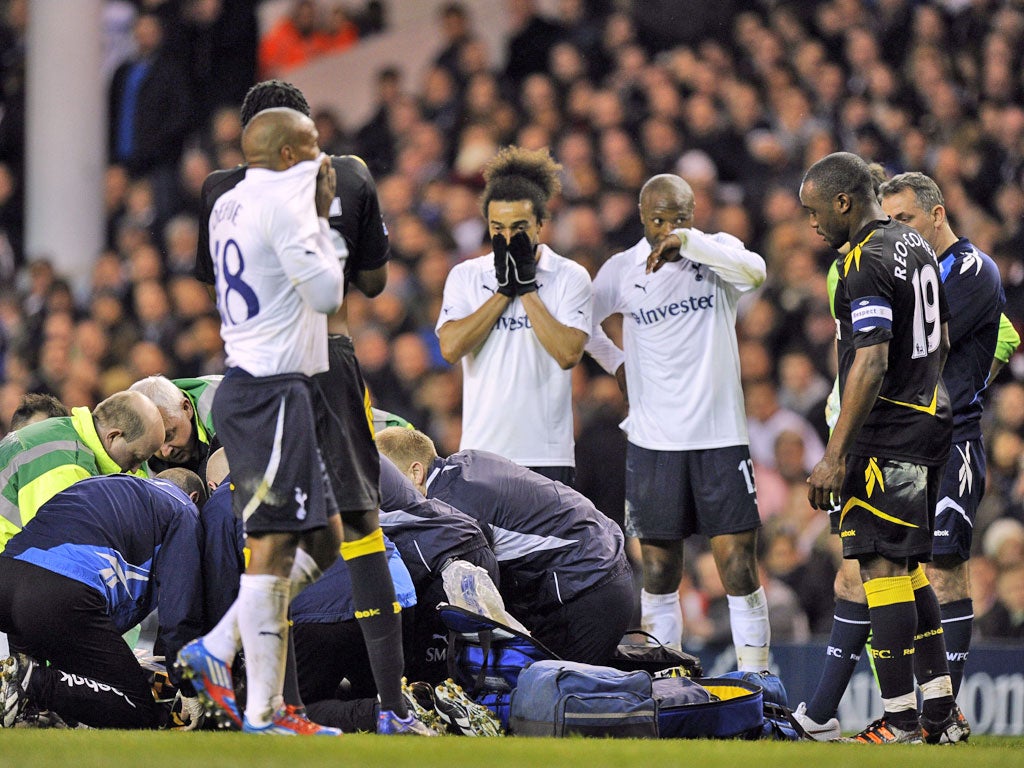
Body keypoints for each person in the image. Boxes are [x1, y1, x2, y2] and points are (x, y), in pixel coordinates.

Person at [190, 81, 413, 735]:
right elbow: (362, 283)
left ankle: (257, 681)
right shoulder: (340, 177)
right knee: (357, 525)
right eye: (310, 139)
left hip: (246, 371)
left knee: (287, 537)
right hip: (317, 364)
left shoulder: (218, 193)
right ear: (291, 138)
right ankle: (384, 707)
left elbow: (215, 281)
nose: (321, 151)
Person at [794, 170, 1014, 741]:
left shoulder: (866, 260)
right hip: (924, 422)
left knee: (880, 569)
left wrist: (836, 453)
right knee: (910, 570)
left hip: (886, 428)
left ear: (844, 202)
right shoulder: (915, 248)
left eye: (816, 211)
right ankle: (940, 714)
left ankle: (899, 721)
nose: (812, 223)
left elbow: (870, 360)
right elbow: (940, 338)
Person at [176, 107, 352, 736]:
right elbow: (329, 294)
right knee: (276, 546)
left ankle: (226, 655)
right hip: (270, 392)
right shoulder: (289, 206)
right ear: (283, 155)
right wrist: (326, 211)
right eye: (309, 146)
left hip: (261, 387)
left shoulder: (230, 201)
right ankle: (261, 705)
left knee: (325, 537)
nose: (320, 156)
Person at [586, 174, 771, 671]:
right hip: (653, 440)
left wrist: (689, 242)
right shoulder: (622, 269)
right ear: (642, 217)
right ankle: (664, 679)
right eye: (659, 220)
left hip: (720, 437)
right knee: (660, 569)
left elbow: (756, 275)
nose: (668, 227)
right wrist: (616, 363)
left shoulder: (716, 253)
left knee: (737, 564)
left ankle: (757, 683)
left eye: (680, 218)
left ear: (694, 213)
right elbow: (581, 322)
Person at [376, 426, 633, 665]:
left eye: (385, 483)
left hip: (587, 592)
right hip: (599, 572)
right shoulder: (468, 463)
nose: (382, 499)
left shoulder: (449, 509)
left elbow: (478, 586)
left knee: (551, 704)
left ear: (416, 471)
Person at [0, 470, 207, 729]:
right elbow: (179, 610)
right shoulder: (184, 509)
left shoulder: (101, 483)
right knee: (136, 708)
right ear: (195, 496)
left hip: (8, 577)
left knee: (36, 702)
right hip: (57, 591)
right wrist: (187, 685)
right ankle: (27, 680)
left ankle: (24, 690)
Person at [436, 145, 591, 485]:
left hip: (547, 454)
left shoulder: (571, 276)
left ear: (540, 224)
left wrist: (527, 289)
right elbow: (450, 348)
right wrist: (503, 293)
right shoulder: (466, 275)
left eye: (519, 227)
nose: (507, 238)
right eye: (498, 228)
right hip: (481, 451)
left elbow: (568, 354)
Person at [0, 390, 164, 551]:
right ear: (113, 436)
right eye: (136, 458)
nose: (135, 470)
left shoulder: (63, 435)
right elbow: (60, 554)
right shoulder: (66, 466)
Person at [129, 374, 221, 476]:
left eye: (168, 436)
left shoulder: (228, 408)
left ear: (186, 408)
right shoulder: (133, 462)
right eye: (154, 446)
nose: (165, 452)